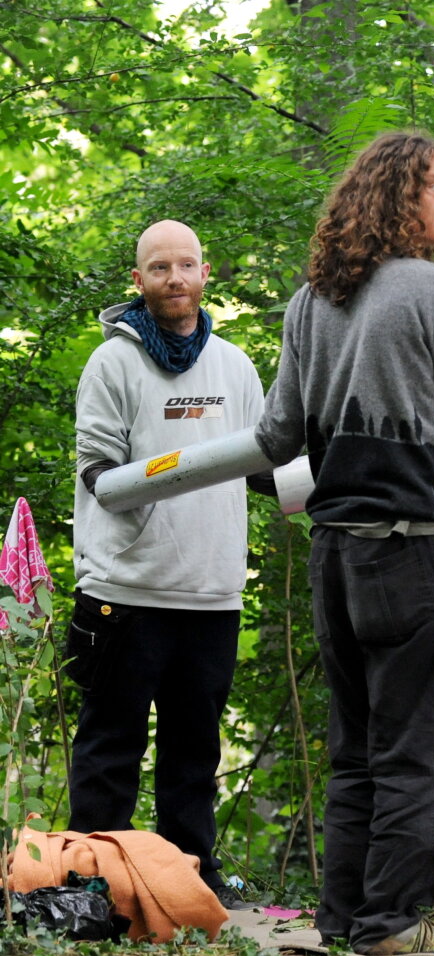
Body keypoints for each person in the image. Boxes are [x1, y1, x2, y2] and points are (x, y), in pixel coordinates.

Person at [253, 132, 434, 955]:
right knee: (422, 750)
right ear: (395, 194)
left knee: (357, 750)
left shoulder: (308, 302)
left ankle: (343, 921)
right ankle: (395, 924)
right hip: (411, 551)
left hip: (336, 556)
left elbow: (275, 434)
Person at [66, 219, 264, 911]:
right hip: (125, 590)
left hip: (211, 595)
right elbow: (97, 470)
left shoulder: (235, 366)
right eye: (159, 268)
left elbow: (266, 463)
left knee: (194, 757)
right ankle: (92, 888)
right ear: (139, 280)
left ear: (206, 274)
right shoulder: (112, 364)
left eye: (186, 266)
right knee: (109, 750)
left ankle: (191, 883)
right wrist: (171, 475)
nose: (175, 279)